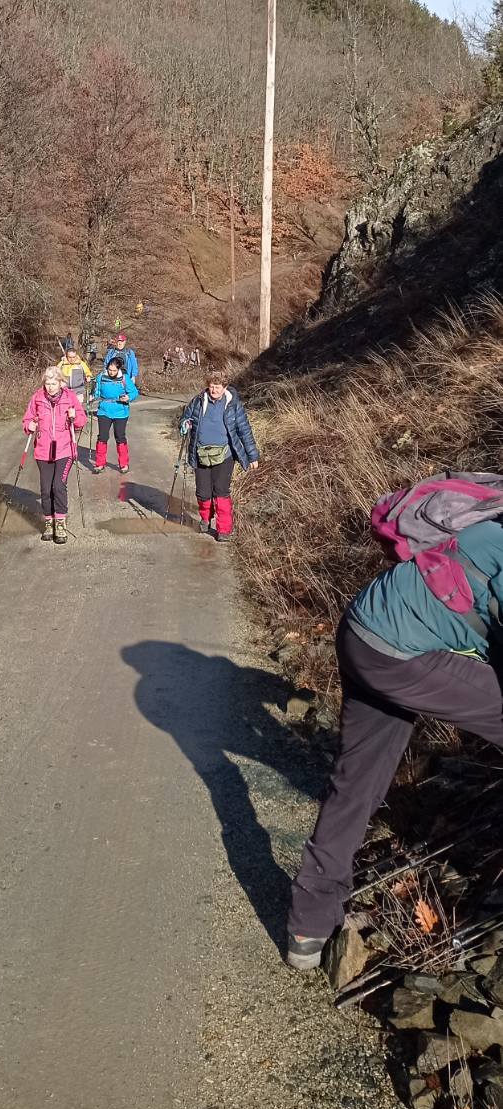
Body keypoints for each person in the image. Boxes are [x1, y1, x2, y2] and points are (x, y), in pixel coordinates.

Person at [287, 517, 503, 971]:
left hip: (362, 631)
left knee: (357, 782)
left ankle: (307, 927)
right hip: (399, 652)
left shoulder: (487, 524)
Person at [180, 371, 260, 544]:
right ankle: (205, 518)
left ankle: (224, 529)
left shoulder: (233, 404)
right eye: (211, 386)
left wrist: (252, 456)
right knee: (203, 492)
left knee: (221, 491)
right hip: (201, 453)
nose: (214, 390)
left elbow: (245, 431)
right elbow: (186, 417)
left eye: (218, 387)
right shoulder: (198, 401)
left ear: (225, 387)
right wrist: (185, 424)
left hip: (225, 455)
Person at [23, 366, 86, 543]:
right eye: (47, 383)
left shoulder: (69, 397)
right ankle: (49, 523)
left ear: (60, 383)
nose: (50, 387)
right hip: (43, 450)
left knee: (58, 486)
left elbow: (81, 421)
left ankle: (60, 524)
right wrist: (29, 426)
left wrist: (75, 417)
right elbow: (27, 419)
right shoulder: (37, 398)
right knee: (45, 489)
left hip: (65, 450)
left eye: (54, 383)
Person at [90, 355, 139, 475]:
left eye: (114, 370)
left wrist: (128, 397)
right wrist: (92, 396)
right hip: (104, 410)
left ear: (119, 369)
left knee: (120, 437)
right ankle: (100, 463)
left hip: (120, 411)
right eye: (110, 370)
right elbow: (97, 391)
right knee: (102, 437)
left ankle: (123, 464)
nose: (111, 372)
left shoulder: (124, 378)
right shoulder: (101, 377)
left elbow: (134, 392)